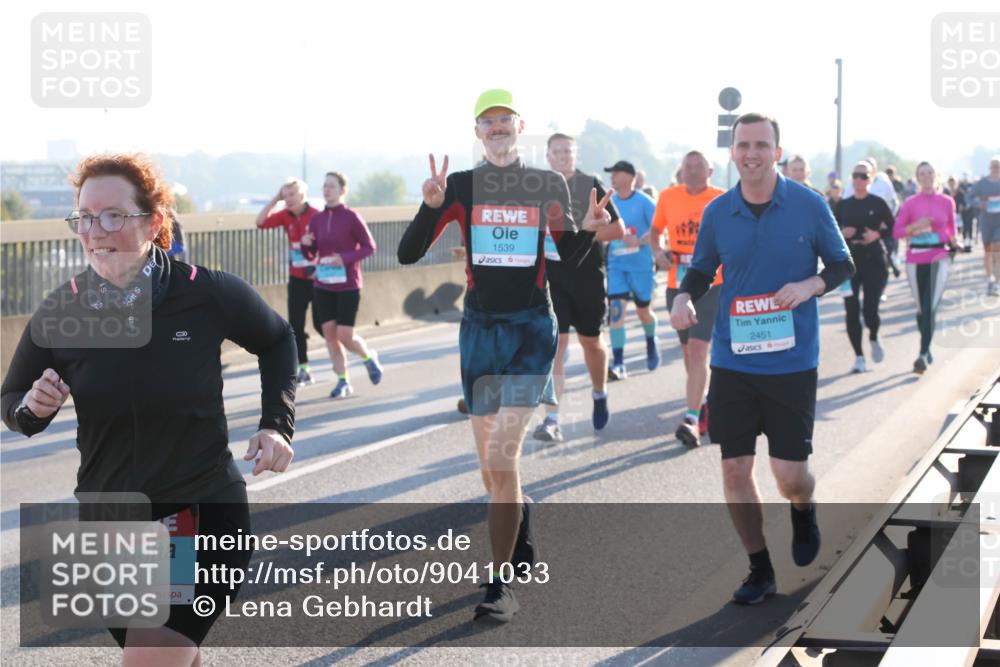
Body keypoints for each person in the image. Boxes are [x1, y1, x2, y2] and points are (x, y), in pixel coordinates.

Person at [0, 153, 297, 662]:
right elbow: (11, 403)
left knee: (153, 656)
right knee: (165, 655)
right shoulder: (61, 309)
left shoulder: (206, 293)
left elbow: (277, 339)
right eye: (85, 217)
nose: (96, 230)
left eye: (113, 215)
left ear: (154, 221)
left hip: (197, 513)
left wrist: (276, 424)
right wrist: (32, 407)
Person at [397, 89, 611, 623]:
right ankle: (519, 513)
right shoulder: (461, 187)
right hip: (480, 331)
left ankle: (499, 587)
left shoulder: (545, 184)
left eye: (504, 120)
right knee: (492, 474)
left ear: (520, 126)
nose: (496, 128)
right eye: (487, 122)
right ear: (477, 132)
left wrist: (585, 229)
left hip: (532, 330)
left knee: (502, 457)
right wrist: (429, 207)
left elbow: (568, 254)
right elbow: (406, 253)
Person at [670, 113, 854, 605]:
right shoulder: (718, 212)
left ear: (776, 150)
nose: (751, 152)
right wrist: (683, 297)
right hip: (733, 361)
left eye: (761, 144)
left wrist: (808, 285)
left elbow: (842, 264)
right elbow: (701, 268)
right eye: (743, 144)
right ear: (732, 152)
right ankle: (759, 569)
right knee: (734, 469)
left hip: (792, 363)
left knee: (790, 476)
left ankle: (803, 507)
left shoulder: (808, 205)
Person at [533, 133, 625, 442]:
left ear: (576, 154)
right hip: (552, 279)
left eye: (567, 151)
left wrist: (581, 237)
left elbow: (618, 229)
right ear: (548, 156)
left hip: (587, 277)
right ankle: (552, 418)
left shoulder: (591, 184)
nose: (562, 156)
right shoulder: (540, 187)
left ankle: (599, 393)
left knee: (591, 344)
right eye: (556, 152)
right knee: (554, 347)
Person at [649, 150, 725, 447]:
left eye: (699, 166)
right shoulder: (668, 196)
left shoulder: (722, 198)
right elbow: (655, 231)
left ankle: (691, 418)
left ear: (710, 171)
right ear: (681, 170)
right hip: (676, 283)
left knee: (697, 350)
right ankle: (702, 401)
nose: (692, 171)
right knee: (687, 353)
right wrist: (657, 252)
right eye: (687, 166)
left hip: (711, 284)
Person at [301, 171, 383, 398]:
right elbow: (311, 253)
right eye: (324, 186)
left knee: (345, 336)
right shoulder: (316, 219)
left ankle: (368, 357)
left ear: (342, 190)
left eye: (332, 186)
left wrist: (344, 258)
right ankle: (342, 381)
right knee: (330, 335)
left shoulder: (352, 217)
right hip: (323, 284)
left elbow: (370, 247)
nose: (327, 190)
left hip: (348, 284)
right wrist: (306, 245)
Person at [894, 161, 958, 373]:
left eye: (930, 172)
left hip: (939, 258)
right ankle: (927, 344)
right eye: (922, 173)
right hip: (915, 259)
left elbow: (951, 230)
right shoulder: (911, 203)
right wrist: (916, 226)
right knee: (922, 310)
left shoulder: (947, 201)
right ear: (918, 178)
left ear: (935, 175)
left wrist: (953, 243)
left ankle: (922, 353)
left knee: (930, 306)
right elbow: (897, 232)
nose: (926, 176)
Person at [256, 178, 321, 385]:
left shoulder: (317, 216)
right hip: (297, 278)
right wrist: (275, 199)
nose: (288, 199)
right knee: (296, 325)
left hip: (318, 278)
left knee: (322, 324)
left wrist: (317, 263)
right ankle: (304, 367)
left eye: (292, 195)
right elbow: (260, 222)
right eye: (285, 196)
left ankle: (340, 354)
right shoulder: (285, 215)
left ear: (303, 195)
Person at [833, 161, 895, 373]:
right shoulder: (843, 204)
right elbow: (828, 231)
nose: (859, 180)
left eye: (864, 175)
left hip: (873, 260)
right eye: (855, 175)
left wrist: (877, 234)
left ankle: (874, 337)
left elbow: (894, 227)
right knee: (851, 311)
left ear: (872, 177)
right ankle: (859, 356)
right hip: (849, 262)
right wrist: (842, 233)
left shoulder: (878, 203)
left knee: (870, 310)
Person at [605, 160, 660, 380]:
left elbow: (659, 230)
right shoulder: (610, 202)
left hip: (641, 268)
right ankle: (619, 364)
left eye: (615, 173)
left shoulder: (645, 202)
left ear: (628, 176)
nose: (612, 178)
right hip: (617, 267)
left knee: (643, 312)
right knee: (616, 313)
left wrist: (640, 240)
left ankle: (650, 340)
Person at [969, 157, 1000, 295]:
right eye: (993, 165)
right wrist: (979, 204)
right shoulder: (982, 183)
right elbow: (969, 197)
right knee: (988, 253)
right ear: (989, 167)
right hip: (987, 223)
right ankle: (990, 280)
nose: (995, 168)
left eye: (998, 166)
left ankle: (998, 283)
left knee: (997, 251)